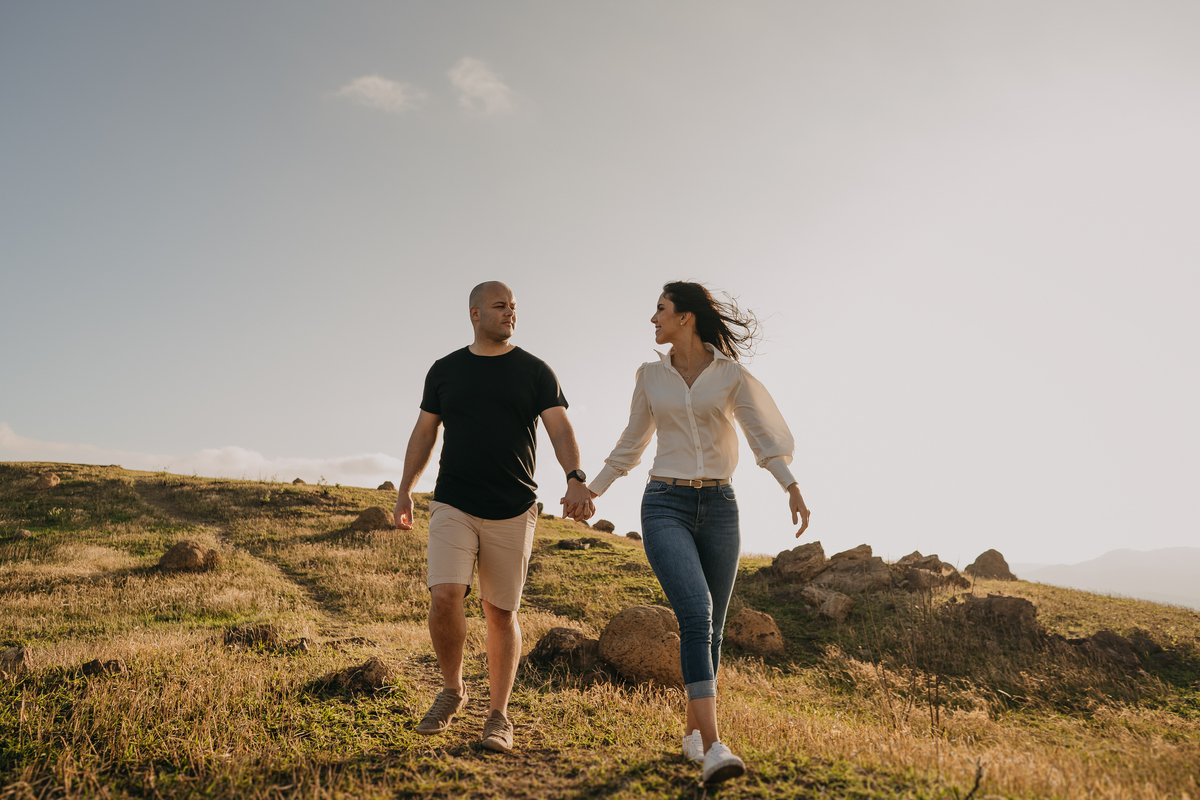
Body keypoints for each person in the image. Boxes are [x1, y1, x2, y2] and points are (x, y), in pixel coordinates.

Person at [586, 281, 810, 785]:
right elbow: (632, 442)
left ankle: (692, 736)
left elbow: (762, 434)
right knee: (696, 610)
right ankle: (713, 747)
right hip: (665, 503)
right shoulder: (649, 375)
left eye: (660, 310)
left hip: (721, 505)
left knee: (712, 628)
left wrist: (790, 486)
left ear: (685, 317)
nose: (653, 320)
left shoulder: (730, 376)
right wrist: (593, 490)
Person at [394, 280, 594, 754]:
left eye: (514, 307)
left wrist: (575, 476)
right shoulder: (445, 370)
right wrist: (405, 490)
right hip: (453, 501)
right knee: (444, 596)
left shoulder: (534, 370)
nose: (510, 314)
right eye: (500, 306)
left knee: (500, 612)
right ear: (474, 313)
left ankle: (498, 717)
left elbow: (559, 425)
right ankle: (452, 689)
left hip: (513, 506)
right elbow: (424, 433)